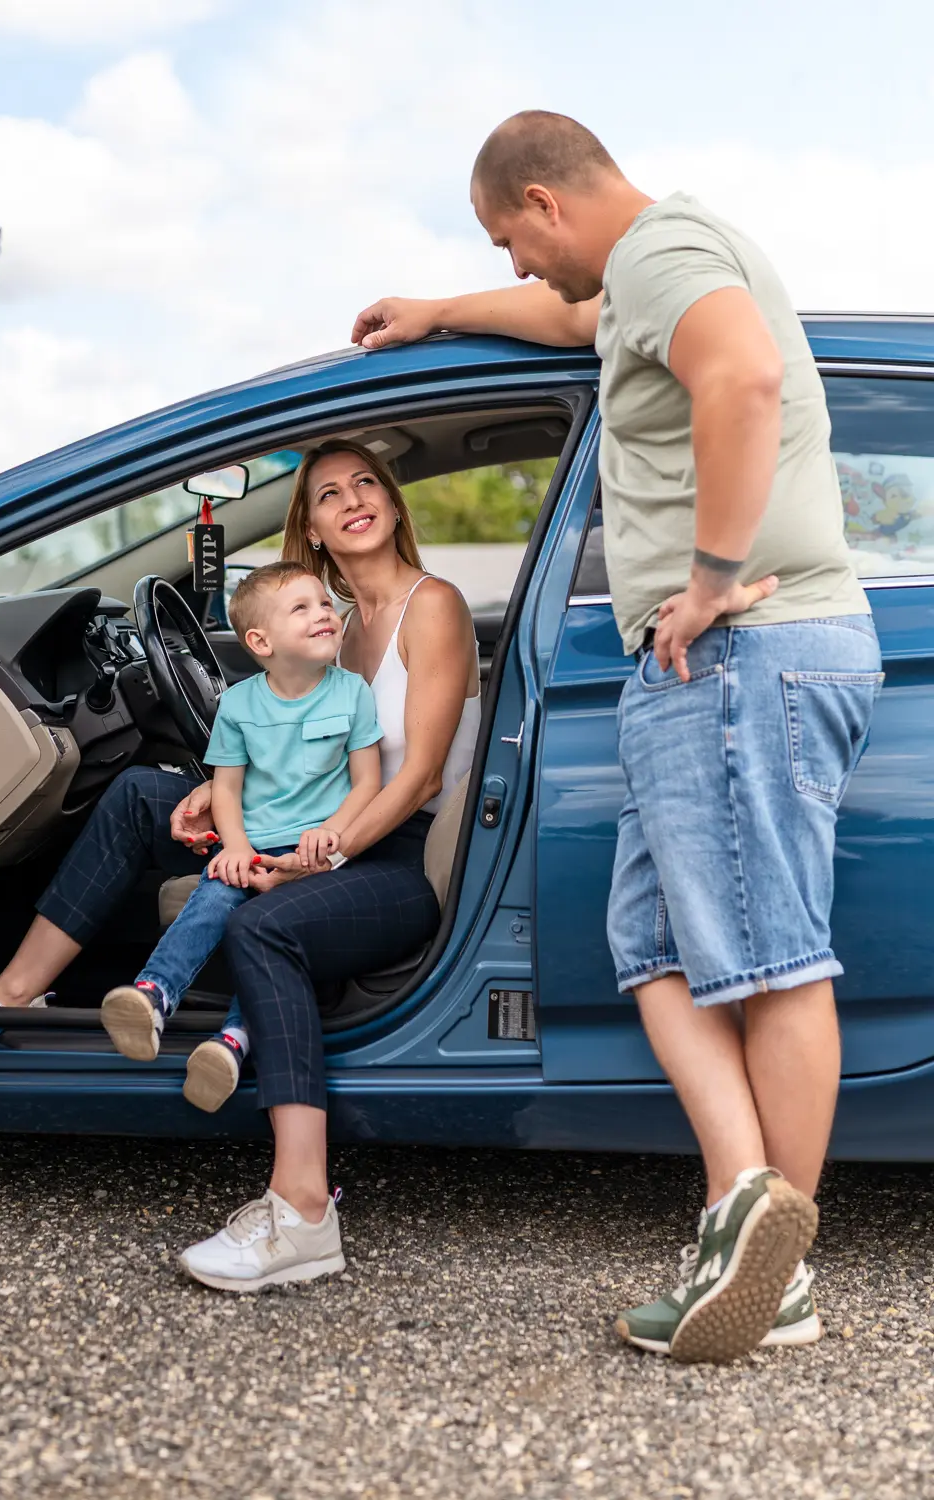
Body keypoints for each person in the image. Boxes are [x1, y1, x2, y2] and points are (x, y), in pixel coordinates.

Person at [353, 110, 881, 1363]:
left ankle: (782, 1273)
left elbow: (741, 378)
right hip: (693, 665)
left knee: (770, 960)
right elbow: (566, 323)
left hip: (743, 646)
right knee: (654, 949)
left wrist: (708, 574)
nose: (522, 266)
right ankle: (741, 1215)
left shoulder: (660, 250)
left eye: (508, 240)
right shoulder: (645, 274)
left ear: (543, 198)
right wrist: (440, 308)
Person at [0, 438, 480, 1292]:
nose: (351, 498)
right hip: (323, 830)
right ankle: (13, 995)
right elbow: (305, 752)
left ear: (392, 501)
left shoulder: (434, 607)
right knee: (137, 795)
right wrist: (222, 798)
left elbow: (416, 774)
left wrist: (312, 861)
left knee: (268, 924)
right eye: (326, 494)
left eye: (365, 484)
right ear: (309, 527)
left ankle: (304, 1212)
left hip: (396, 856)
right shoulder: (336, 625)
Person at [99, 561, 383, 1116]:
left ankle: (233, 1041)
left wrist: (332, 834)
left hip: (316, 856)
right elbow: (224, 791)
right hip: (251, 844)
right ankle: (154, 996)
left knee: (274, 934)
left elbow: (368, 782)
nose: (324, 613)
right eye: (301, 608)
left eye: (324, 603)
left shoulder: (353, 693)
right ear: (260, 641)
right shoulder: (239, 704)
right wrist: (232, 847)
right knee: (214, 896)